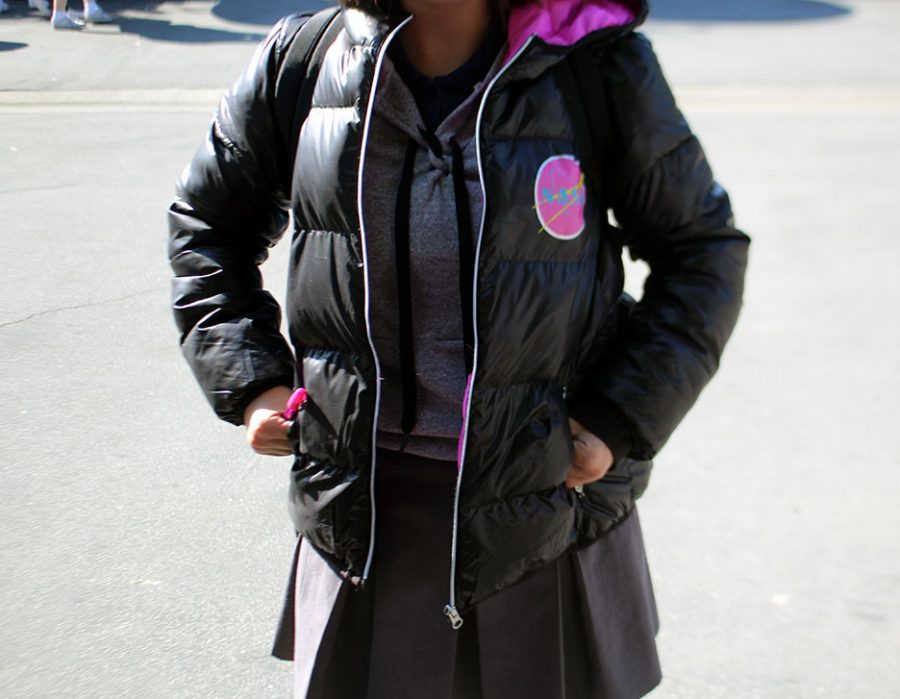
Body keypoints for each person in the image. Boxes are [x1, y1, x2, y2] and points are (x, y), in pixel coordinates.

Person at [168, 0, 749, 696]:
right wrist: (251, 379)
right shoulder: (304, 60)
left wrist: (618, 419)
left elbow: (702, 252)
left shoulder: (594, 63)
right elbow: (206, 225)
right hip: (366, 516)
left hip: (545, 511)